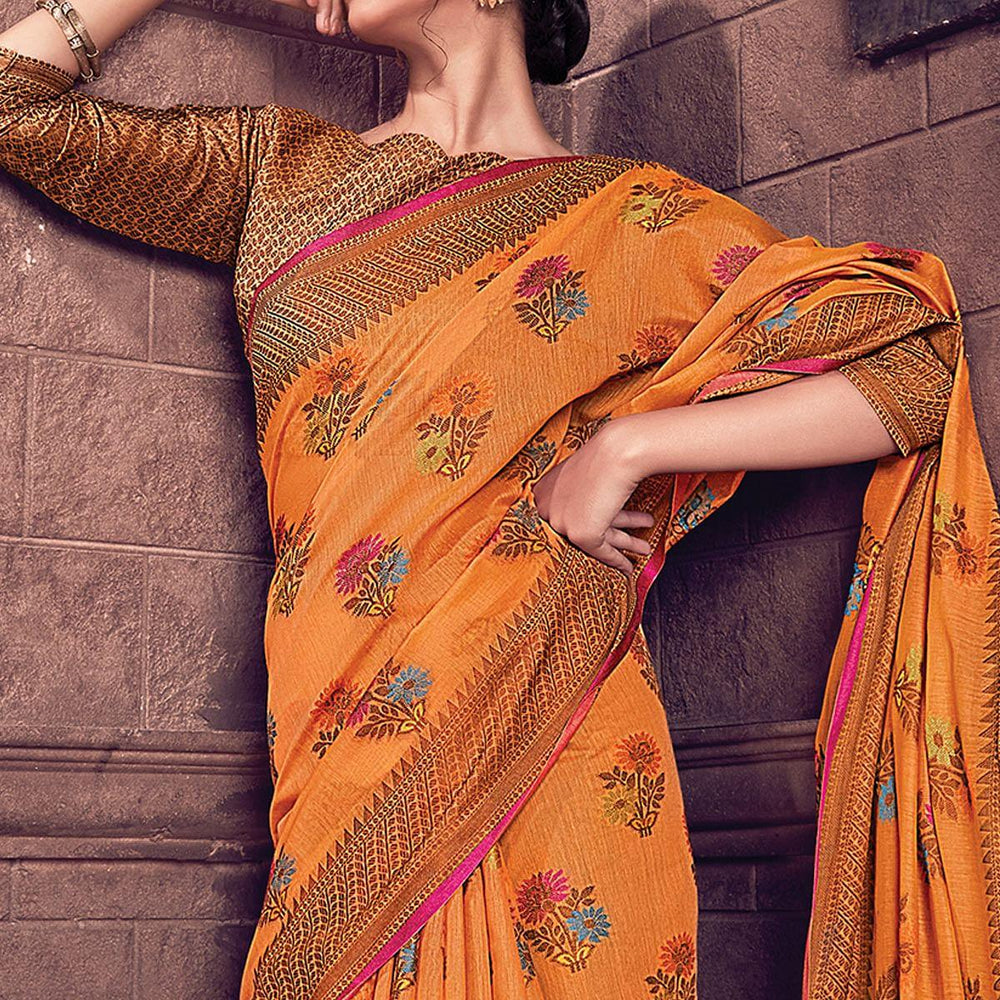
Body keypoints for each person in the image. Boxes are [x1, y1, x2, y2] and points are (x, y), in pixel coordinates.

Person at [1, 1, 996, 997]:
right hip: (349, 757)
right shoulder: (283, 174)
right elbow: (13, 101)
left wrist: (628, 447)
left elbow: (911, 365)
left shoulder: (633, 218)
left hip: (553, 734)